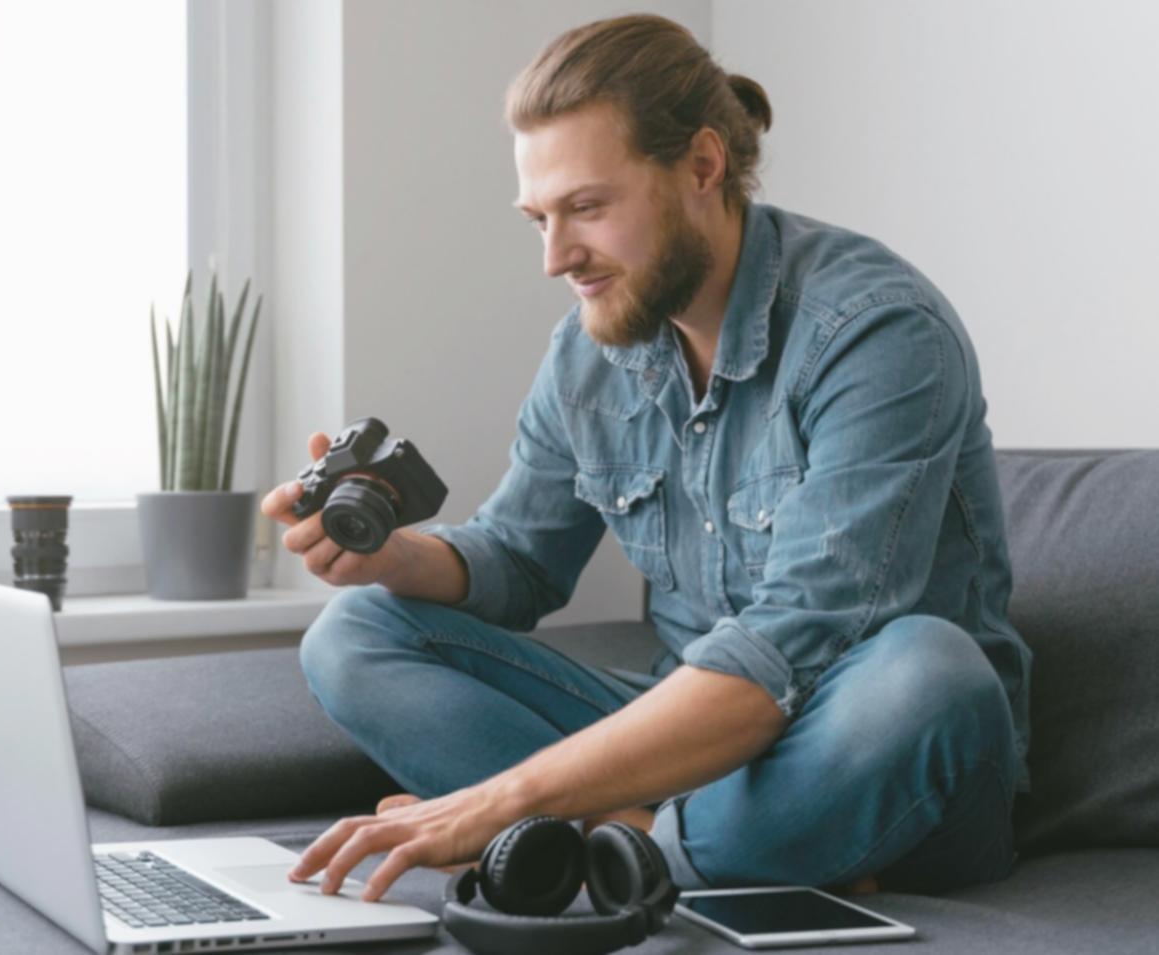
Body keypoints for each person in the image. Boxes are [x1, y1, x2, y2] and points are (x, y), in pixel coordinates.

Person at [263, 13, 1031, 905]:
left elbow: (792, 649)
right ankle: (644, 845)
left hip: (860, 742)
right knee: (358, 631)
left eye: (586, 208)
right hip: (692, 749)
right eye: (539, 218)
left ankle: (617, 842)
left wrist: (487, 803)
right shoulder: (594, 349)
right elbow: (517, 562)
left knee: (929, 671)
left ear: (701, 167)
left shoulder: (875, 331)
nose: (556, 258)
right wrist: (390, 556)